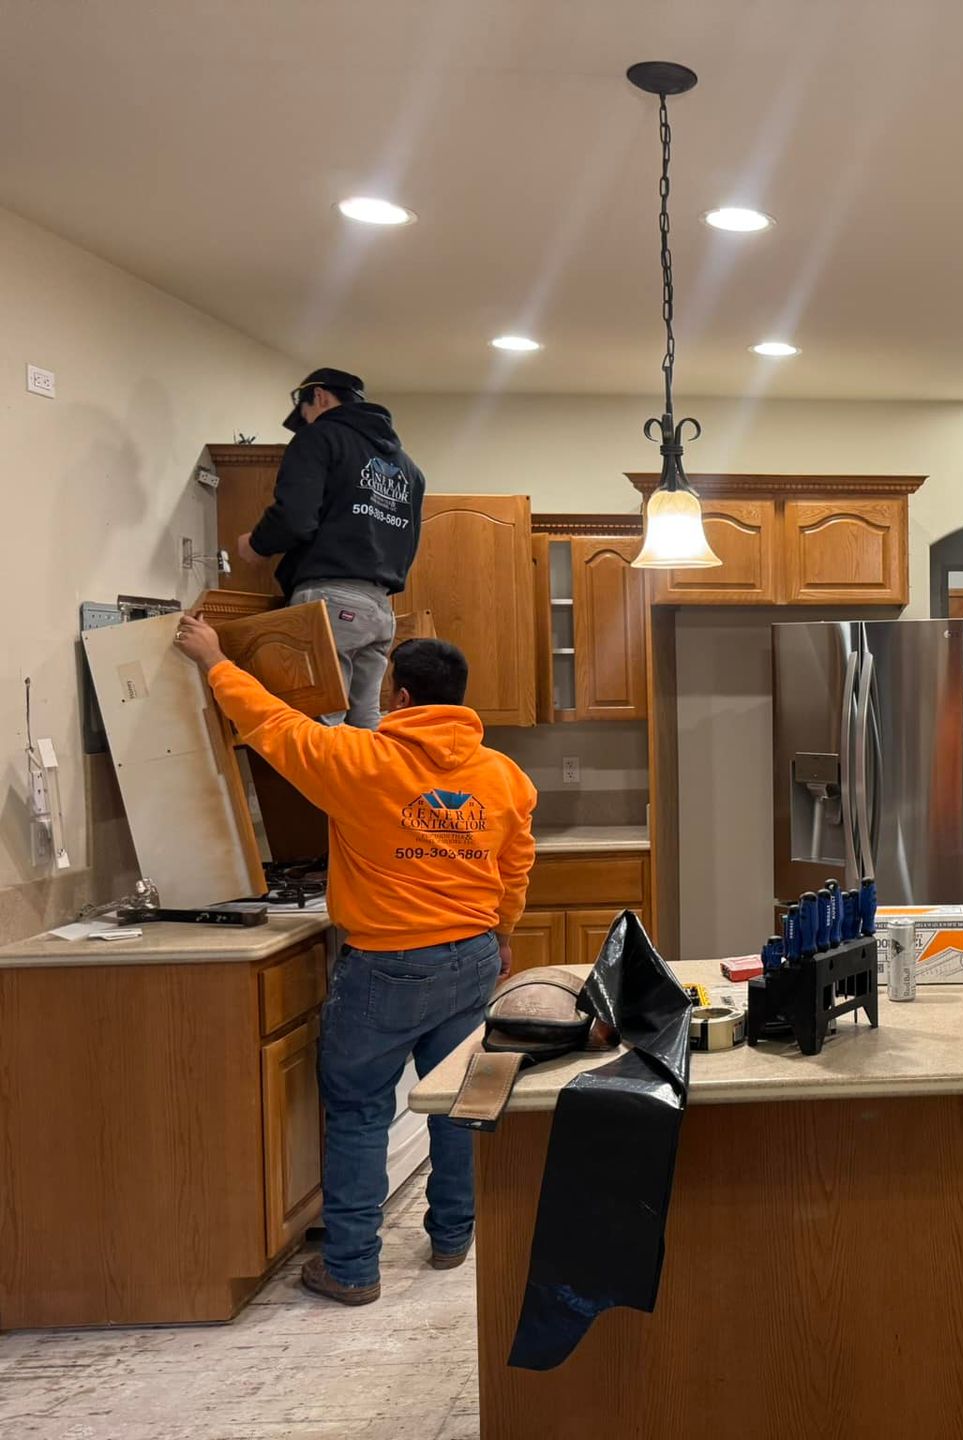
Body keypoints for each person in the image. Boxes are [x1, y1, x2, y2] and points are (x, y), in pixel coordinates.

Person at [175, 615, 536, 1306]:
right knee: (457, 1102)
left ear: (400, 697)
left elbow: (272, 724)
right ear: (459, 699)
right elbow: (515, 868)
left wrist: (216, 660)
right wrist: (503, 932)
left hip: (387, 965)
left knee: (359, 1109)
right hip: (470, 957)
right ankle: (453, 1236)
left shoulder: (358, 760)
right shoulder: (505, 777)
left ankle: (350, 1267)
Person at [239, 367, 426, 728]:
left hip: (331, 598)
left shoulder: (320, 437)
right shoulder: (408, 468)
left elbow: (294, 518)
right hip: (379, 608)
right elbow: (409, 542)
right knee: (364, 724)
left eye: (305, 413)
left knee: (320, 727)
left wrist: (257, 545)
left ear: (320, 397)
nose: (306, 423)